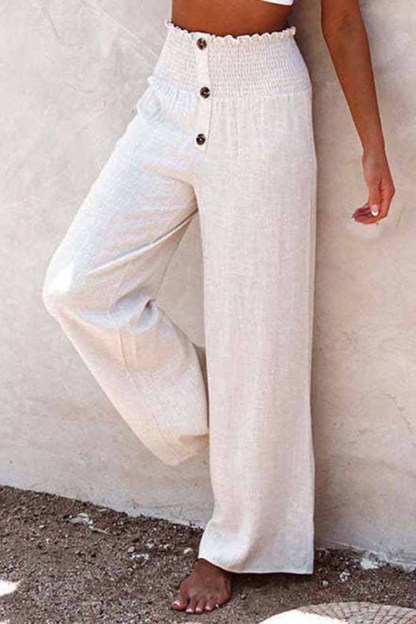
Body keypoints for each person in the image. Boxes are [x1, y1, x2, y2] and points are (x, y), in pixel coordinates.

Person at [42, 0, 395, 616]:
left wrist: (373, 147)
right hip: (173, 85)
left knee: (259, 333)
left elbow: (340, 20)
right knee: (79, 287)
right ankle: (241, 418)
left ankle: (235, 545)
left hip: (263, 105)